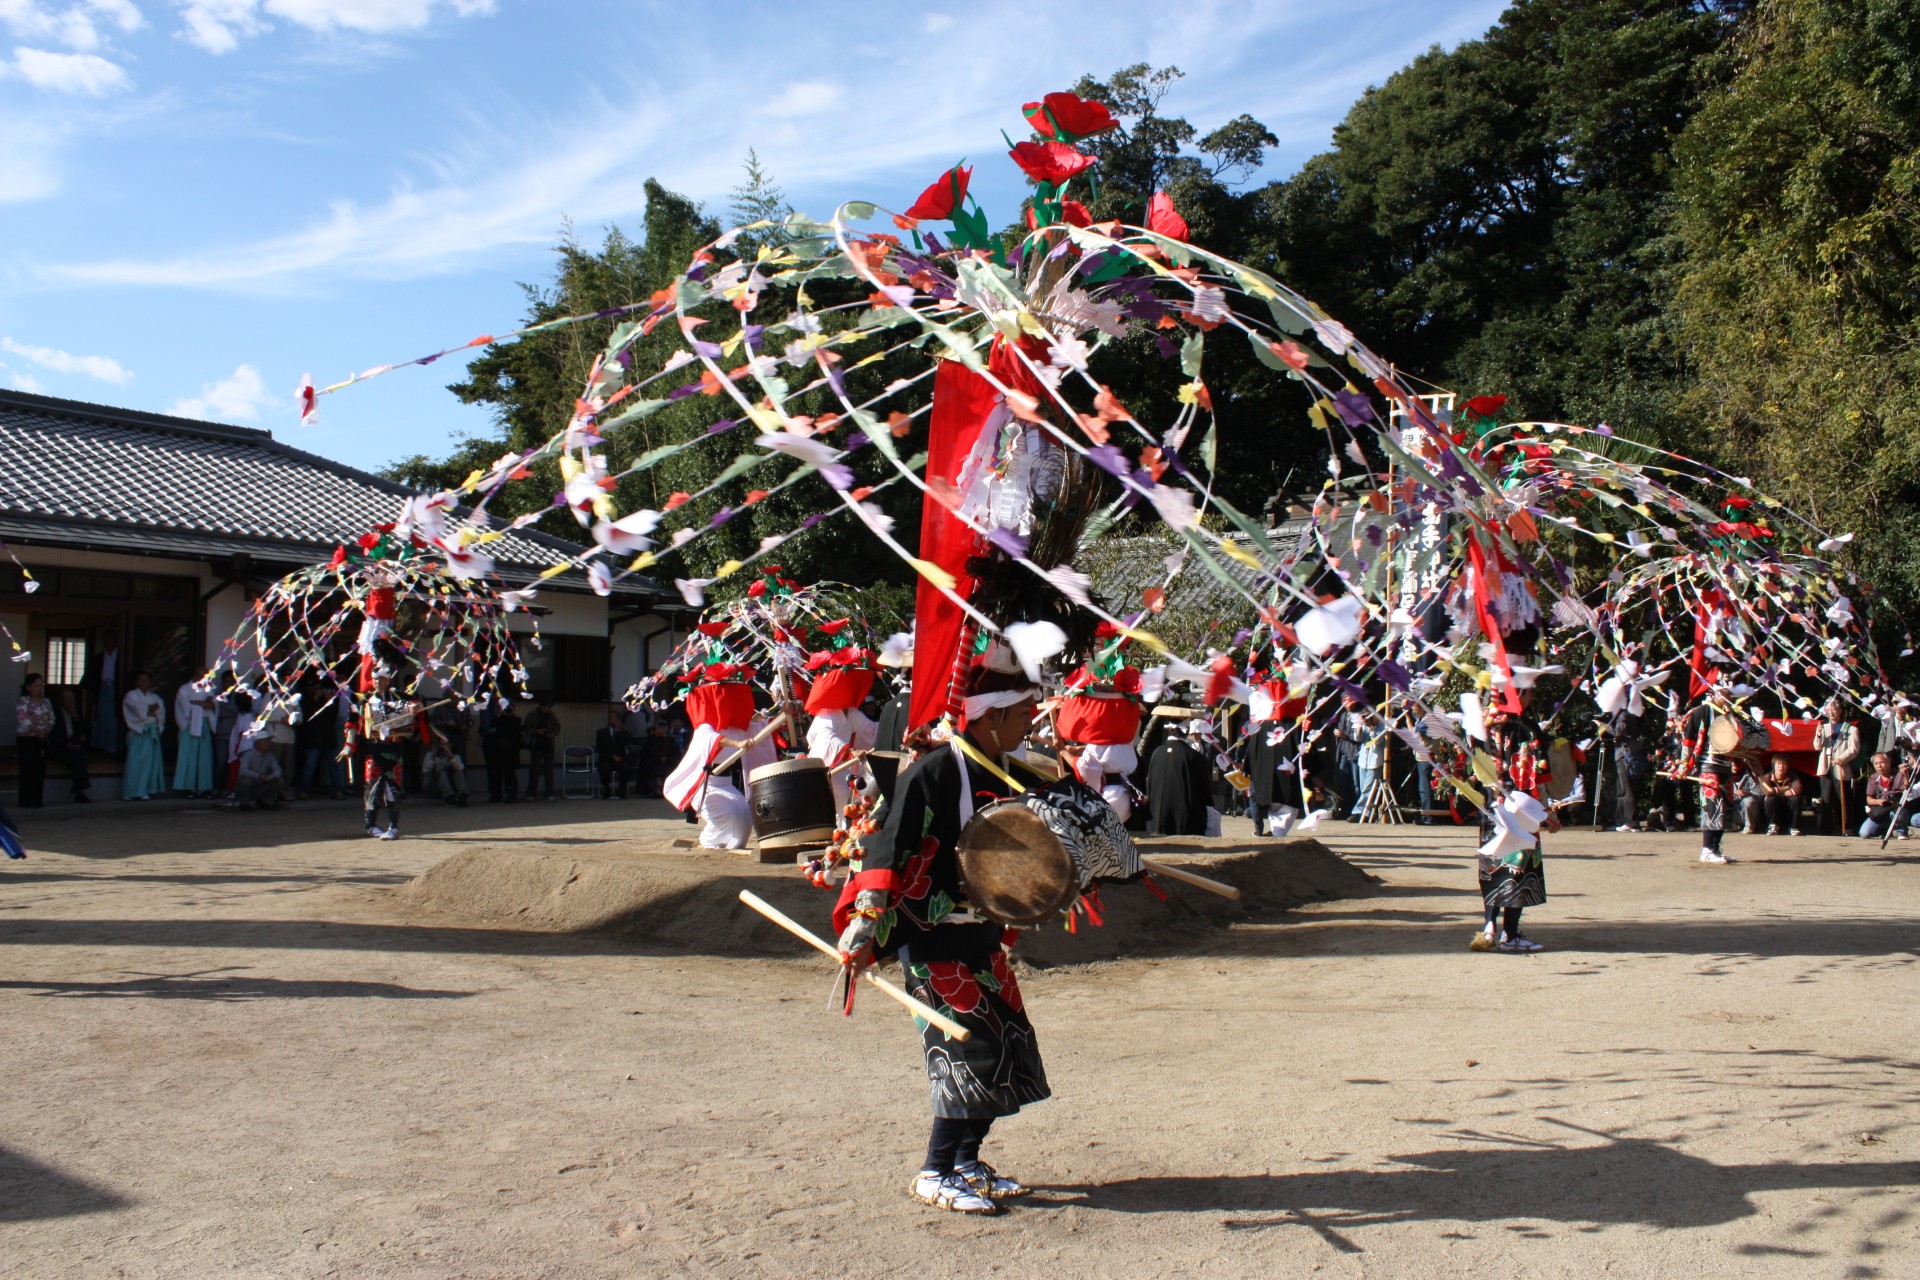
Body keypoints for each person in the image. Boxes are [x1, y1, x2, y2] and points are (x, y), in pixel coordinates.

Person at [837, 664, 1051, 1215]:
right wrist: (866, 918)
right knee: (965, 1051)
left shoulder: (1007, 771)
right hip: (930, 938)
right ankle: (934, 1172)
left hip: (979, 933)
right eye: (1025, 711)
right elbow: (889, 844)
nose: (1032, 721)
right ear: (995, 715)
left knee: (1005, 1043)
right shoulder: (932, 770)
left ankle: (966, 1162)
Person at [1472, 698, 1559, 951]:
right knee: (1518, 870)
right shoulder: (1527, 727)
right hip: (1522, 809)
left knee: (1494, 865)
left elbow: (1473, 766)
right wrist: (1547, 813)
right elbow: (1538, 777)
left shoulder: (1481, 727)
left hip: (1492, 809)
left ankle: (1489, 926)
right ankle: (1509, 934)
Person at [351, 663, 428, 839]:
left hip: (394, 749)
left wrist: (416, 707)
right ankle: (370, 825)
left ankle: (393, 827)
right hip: (373, 748)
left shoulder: (397, 696)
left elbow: (416, 704)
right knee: (372, 788)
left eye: (382, 679)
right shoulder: (365, 699)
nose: (378, 682)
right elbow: (352, 722)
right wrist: (349, 745)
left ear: (388, 680)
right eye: (375, 679)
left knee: (393, 789)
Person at [1679, 691, 1742, 863]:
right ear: (1714, 693)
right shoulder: (1702, 712)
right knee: (1712, 805)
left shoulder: (1731, 714)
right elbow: (1688, 740)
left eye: (1730, 693)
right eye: (1724, 693)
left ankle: (1715, 848)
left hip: (1726, 766)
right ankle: (1707, 849)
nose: (1728, 696)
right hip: (1708, 764)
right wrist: (1684, 764)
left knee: (1726, 806)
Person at [1145, 720, 1211, 835]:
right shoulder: (1193, 755)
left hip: (1159, 814)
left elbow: (1150, 784)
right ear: (1186, 732)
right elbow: (1203, 787)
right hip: (1186, 817)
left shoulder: (1156, 753)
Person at [1814, 701, 1861, 836]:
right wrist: (1818, 734)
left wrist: (1843, 758)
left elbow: (1854, 748)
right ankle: (1825, 829)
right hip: (1825, 766)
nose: (1832, 713)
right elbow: (1817, 747)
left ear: (1840, 711)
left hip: (1841, 766)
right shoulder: (1823, 727)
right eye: (1829, 710)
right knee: (1826, 798)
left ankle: (1847, 828)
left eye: (1834, 710)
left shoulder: (1851, 729)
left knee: (1845, 799)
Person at [120, 670, 166, 801]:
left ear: (151, 682)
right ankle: (130, 791)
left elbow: (160, 711)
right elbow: (135, 709)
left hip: (151, 732)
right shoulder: (131, 695)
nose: (143, 682)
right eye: (140, 680)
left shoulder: (155, 697)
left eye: (146, 680)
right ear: (136, 682)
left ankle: (143, 790)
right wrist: (149, 709)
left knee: (148, 763)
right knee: (134, 762)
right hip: (138, 732)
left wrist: (147, 710)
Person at [172, 680, 217, 798]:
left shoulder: (209, 688)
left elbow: (212, 705)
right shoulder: (184, 689)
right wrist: (203, 703)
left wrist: (197, 703)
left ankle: (204, 788)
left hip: (204, 725)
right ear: (196, 676)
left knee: (205, 757)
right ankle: (189, 788)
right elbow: (186, 708)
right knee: (189, 757)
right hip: (189, 726)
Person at [15, 672, 52, 808]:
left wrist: (45, 730)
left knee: (39, 769)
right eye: (36, 685)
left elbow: (51, 718)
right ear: (28, 687)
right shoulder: (23, 701)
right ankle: (26, 800)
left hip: (41, 739)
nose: (39, 688)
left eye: (40, 685)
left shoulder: (46, 701)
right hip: (26, 739)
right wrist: (35, 729)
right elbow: (22, 717)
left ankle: (37, 799)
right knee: (27, 769)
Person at [49, 688, 90, 803]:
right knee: (74, 759)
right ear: (60, 700)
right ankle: (79, 791)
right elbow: (52, 734)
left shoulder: (76, 712)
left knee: (82, 758)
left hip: (74, 743)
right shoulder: (55, 713)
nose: (70, 702)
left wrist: (75, 716)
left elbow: (86, 728)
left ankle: (79, 790)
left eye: (72, 699)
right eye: (67, 699)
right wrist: (66, 744)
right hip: (59, 745)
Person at [84, 630, 121, 753]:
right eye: (106, 640)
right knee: (100, 718)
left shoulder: (122, 657)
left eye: (111, 639)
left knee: (114, 719)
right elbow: (90, 679)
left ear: (116, 641)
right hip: (102, 690)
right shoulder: (98, 658)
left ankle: (113, 746)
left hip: (116, 692)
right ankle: (99, 746)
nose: (108, 642)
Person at [1858, 752, 1907, 840]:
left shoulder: (1899, 775)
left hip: (1897, 808)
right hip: (1882, 810)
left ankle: (1902, 831)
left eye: (1882, 762)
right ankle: (1884, 829)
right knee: (1864, 833)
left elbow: (1907, 792)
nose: (1879, 766)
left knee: (1897, 814)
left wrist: (1906, 775)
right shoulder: (1873, 778)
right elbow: (1869, 799)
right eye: (1876, 763)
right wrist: (1879, 802)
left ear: (1889, 762)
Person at [1758, 755, 1805, 836]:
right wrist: (1786, 788)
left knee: (1795, 799)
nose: (1781, 767)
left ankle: (1793, 827)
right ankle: (1773, 826)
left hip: (1788, 810)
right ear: (1773, 766)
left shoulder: (1793, 777)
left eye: (1784, 764)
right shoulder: (1765, 778)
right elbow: (1767, 791)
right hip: (1774, 811)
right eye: (1778, 764)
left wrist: (1776, 792)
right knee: (1770, 798)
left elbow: (1798, 789)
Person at [235, 736, 286, 809]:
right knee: (246, 781)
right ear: (257, 743)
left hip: (260, 784)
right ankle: (244, 803)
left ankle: (266, 802)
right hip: (249, 785)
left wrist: (273, 776)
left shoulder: (270, 755)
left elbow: (277, 769)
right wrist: (258, 776)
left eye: (268, 741)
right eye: (264, 741)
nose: (267, 743)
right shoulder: (248, 754)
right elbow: (242, 770)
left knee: (279, 781)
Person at [487, 701, 522, 803]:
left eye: (510, 707)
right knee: (497, 774)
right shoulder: (497, 719)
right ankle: (496, 795)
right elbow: (492, 730)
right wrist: (499, 715)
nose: (508, 709)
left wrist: (509, 716)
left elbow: (517, 735)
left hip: (511, 750)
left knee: (510, 774)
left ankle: (512, 795)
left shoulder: (516, 720)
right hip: (497, 750)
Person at [422, 737, 469, 806]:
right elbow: (425, 770)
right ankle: (449, 798)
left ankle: (462, 797)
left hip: (452, 789)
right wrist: (434, 756)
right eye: (441, 744)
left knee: (458, 770)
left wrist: (451, 757)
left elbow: (460, 769)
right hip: (433, 788)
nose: (443, 747)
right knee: (441, 772)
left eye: (445, 744)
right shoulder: (429, 755)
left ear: (450, 745)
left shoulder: (455, 756)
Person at [594, 707, 628, 799]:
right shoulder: (601, 732)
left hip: (619, 758)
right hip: (607, 758)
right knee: (604, 768)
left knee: (626, 768)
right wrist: (612, 756)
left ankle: (621, 790)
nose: (612, 720)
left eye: (614, 718)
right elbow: (601, 748)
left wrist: (618, 730)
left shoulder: (622, 732)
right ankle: (606, 789)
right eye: (610, 718)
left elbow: (626, 743)